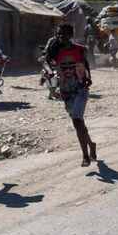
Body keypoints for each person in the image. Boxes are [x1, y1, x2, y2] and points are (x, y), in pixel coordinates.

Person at [46, 24, 97, 167]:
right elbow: (47, 63)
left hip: (80, 89)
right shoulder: (55, 50)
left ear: (70, 35)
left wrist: (88, 78)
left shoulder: (80, 50)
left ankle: (85, 156)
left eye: (63, 34)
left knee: (77, 121)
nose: (60, 37)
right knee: (79, 123)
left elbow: (86, 66)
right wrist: (49, 73)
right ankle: (91, 144)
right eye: (59, 34)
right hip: (65, 91)